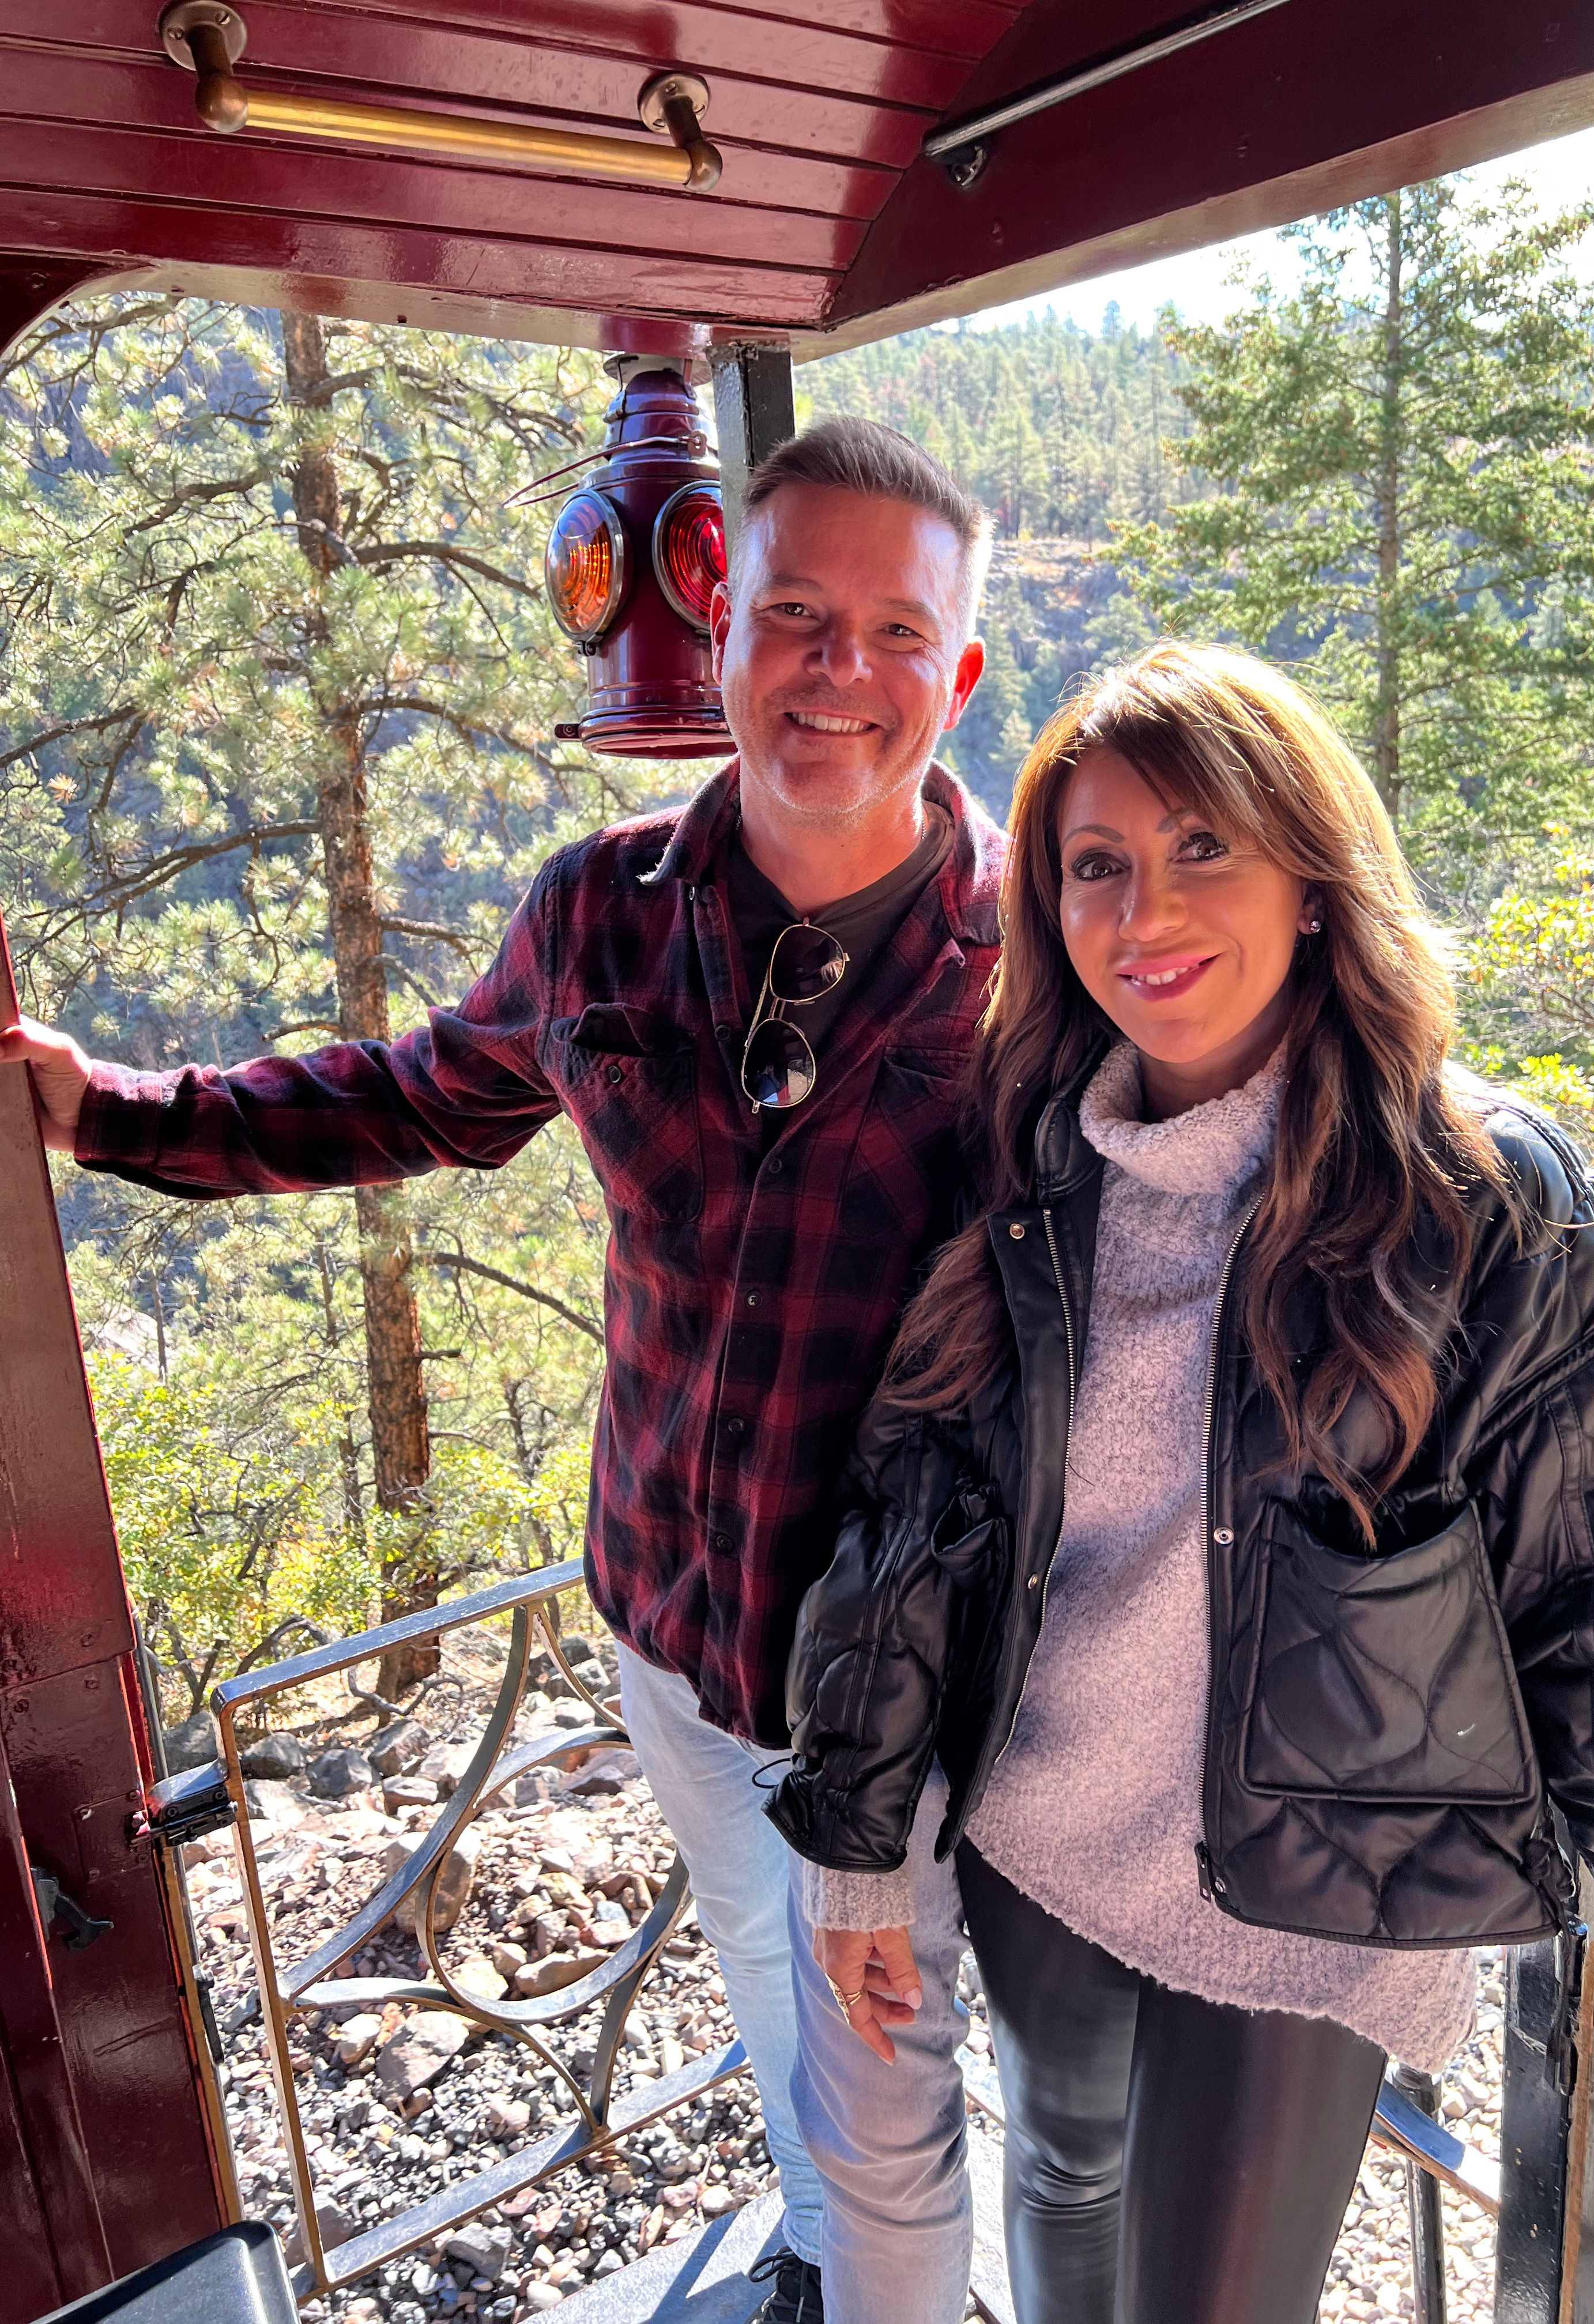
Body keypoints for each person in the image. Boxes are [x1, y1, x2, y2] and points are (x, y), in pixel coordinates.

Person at [0, 417, 1005, 2324]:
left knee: (895, 2071)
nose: (838, 673)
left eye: (894, 633)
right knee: (769, 1977)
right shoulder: (601, 912)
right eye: (795, 615)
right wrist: (111, 1112)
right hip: (672, 1620)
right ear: (722, 634)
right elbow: (413, 1097)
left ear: (954, 679)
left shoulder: (1035, 958)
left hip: (908, 1680)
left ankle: (896, 2282)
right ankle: (823, 2258)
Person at [769, 640, 1594, 2324]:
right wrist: (858, 1845)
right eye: (1096, 864)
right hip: (1037, 1836)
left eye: (1204, 845)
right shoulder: (1034, 1163)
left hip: (1314, 1893)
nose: (1144, 911)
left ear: (1312, 875)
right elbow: (913, 1521)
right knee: (1059, 2186)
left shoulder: (1480, 1203)